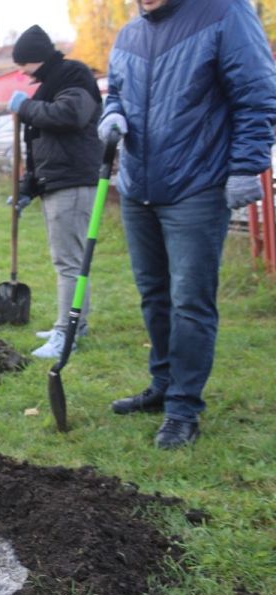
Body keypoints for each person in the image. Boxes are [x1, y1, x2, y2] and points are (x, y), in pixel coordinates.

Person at [100, 0, 276, 449]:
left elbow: (256, 93)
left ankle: (183, 408)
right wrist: (112, 114)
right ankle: (162, 385)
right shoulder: (129, 34)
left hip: (197, 184)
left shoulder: (224, 13)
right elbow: (116, 91)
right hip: (138, 185)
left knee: (190, 301)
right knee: (153, 294)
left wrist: (246, 167)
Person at [6, 25, 103, 359]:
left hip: (74, 182)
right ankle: (74, 324)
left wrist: (26, 108)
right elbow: (39, 147)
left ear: (36, 58)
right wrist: (26, 190)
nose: (21, 72)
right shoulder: (49, 84)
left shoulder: (73, 75)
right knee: (68, 261)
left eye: (22, 64)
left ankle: (67, 333)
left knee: (69, 263)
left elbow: (71, 115)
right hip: (56, 183)